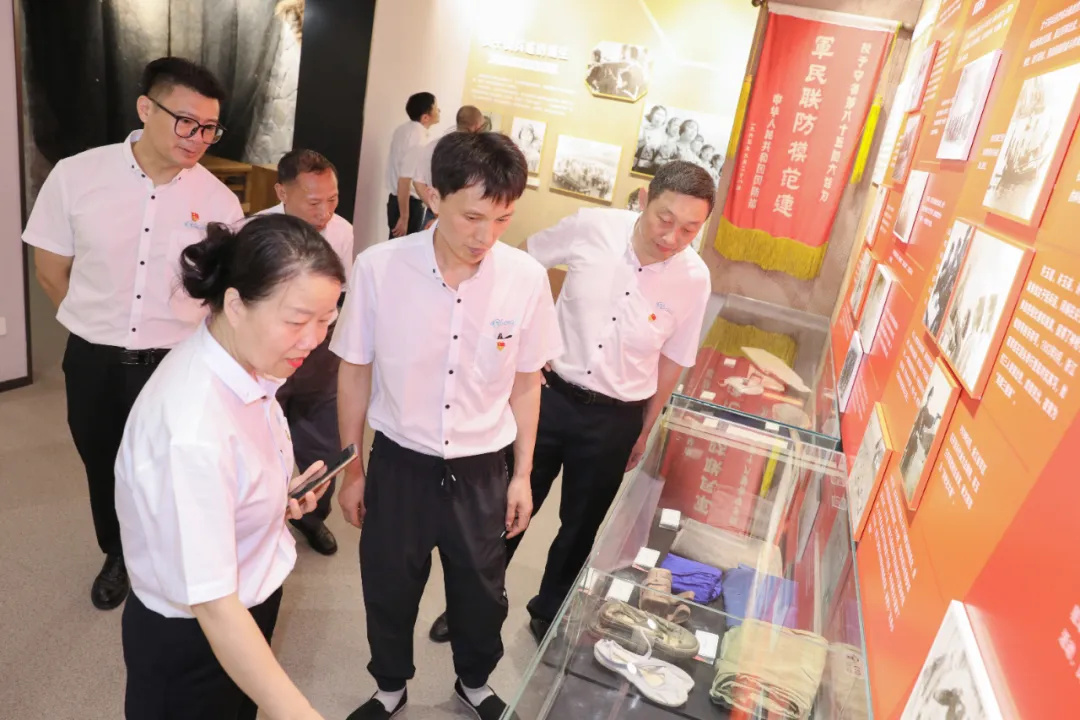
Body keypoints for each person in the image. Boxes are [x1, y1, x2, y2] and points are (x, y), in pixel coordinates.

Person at [428, 160, 713, 645]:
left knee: (581, 525)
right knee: (505, 507)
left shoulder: (694, 278)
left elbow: (674, 360)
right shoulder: (592, 227)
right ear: (645, 200)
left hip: (617, 417)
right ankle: (470, 604)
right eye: (665, 219)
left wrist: (645, 429)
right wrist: (521, 346)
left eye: (690, 229)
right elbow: (523, 261)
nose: (672, 237)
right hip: (549, 396)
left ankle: (549, 610)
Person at [332, 131, 562, 720]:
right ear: (432, 197)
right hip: (400, 462)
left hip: (483, 468)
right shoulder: (380, 268)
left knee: (481, 591)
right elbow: (354, 372)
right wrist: (351, 471)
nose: (486, 236)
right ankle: (389, 687)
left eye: (503, 219)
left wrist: (523, 475)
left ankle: (474, 683)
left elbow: (527, 383)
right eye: (473, 217)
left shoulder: (526, 278)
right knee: (389, 584)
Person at [22, 56, 244, 610]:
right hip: (94, 357)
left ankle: (167, 557)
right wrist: (99, 325)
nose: (198, 138)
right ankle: (117, 552)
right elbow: (50, 270)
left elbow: (220, 295)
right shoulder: (77, 176)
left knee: (172, 468)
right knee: (103, 462)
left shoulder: (219, 201)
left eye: (209, 128)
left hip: (176, 364)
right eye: (186, 121)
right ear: (146, 108)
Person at [115, 213, 346, 720]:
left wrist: (278, 496)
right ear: (237, 304)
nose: (313, 339)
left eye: (326, 320)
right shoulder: (192, 427)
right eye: (297, 320)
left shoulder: (249, 364)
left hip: (249, 603)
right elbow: (215, 607)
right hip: (197, 638)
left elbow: (230, 481)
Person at [255, 148, 355, 555]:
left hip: (320, 351)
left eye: (333, 200)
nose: (325, 212)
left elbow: (340, 292)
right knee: (260, 443)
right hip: (269, 351)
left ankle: (312, 518)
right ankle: (261, 524)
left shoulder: (341, 231)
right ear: (282, 192)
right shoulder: (255, 232)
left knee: (325, 443)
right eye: (314, 202)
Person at [411, 105, 486, 228]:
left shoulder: (433, 146)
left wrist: (437, 210)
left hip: (435, 214)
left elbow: (418, 182)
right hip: (467, 217)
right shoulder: (479, 153)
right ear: (477, 126)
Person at [386, 91, 440, 238]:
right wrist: (404, 217)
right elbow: (405, 180)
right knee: (402, 249)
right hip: (407, 204)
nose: (439, 111)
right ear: (425, 117)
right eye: (436, 107)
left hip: (397, 202)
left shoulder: (403, 129)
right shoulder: (418, 137)